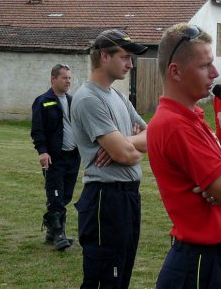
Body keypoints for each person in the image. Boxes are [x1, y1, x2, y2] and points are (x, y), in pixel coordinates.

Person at [147, 23, 221, 289]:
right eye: (205, 65)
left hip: (211, 259)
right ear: (176, 72)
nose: (215, 73)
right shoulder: (176, 124)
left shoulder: (191, 117)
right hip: (201, 263)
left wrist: (219, 182)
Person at [70, 29, 148, 288]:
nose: (130, 64)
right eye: (125, 57)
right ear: (104, 56)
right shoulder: (88, 99)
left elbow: (151, 137)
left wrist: (124, 141)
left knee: (122, 274)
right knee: (105, 279)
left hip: (127, 197)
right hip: (105, 199)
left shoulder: (118, 97)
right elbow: (125, 154)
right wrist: (128, 146)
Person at [31, 63, 80, 251]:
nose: (68, 81)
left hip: (73, 156)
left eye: (69, 78)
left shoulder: (72, 100)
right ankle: (59, 234)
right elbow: (37, 130)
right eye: (64, 78)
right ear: (53, 79)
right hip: (54, 157)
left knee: (65, 195)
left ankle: (52, 232)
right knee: (56, 194)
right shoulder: (43, 101)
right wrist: (42, 151)